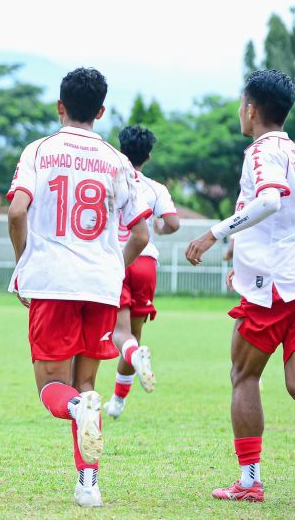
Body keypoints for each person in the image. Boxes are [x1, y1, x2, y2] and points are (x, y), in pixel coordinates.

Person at [7, 68, 151, 507]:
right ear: (102, 111)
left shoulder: (40, 150)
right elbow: (142, 235)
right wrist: (113, 268)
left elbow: (16, 212)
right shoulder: (117, 160)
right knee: (87, 384)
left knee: (54, 388)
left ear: (60, 106)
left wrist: (24, 263)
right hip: (101, 286)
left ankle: (75, 410)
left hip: (53, 281)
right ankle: (88, 485)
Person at [185, 69, 295, 502]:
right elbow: (287, 215)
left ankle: (249, 482)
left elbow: (268, 200)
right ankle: (248, 481)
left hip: (279, 288)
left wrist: (215, 233)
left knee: (243, 375)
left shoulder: (261, 151)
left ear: (250, 109)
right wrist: (241, 253)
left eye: (240, 103)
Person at [104, 126, 180, 419]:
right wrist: (158, 227)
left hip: (117, 259)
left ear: (119, 150)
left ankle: (134, 357)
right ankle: (117, 404)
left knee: (120, 336)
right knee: (132, 336)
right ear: (148, 155)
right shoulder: (154, 188)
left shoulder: (110, 181)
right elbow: (172, 223)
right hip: (146, 262)